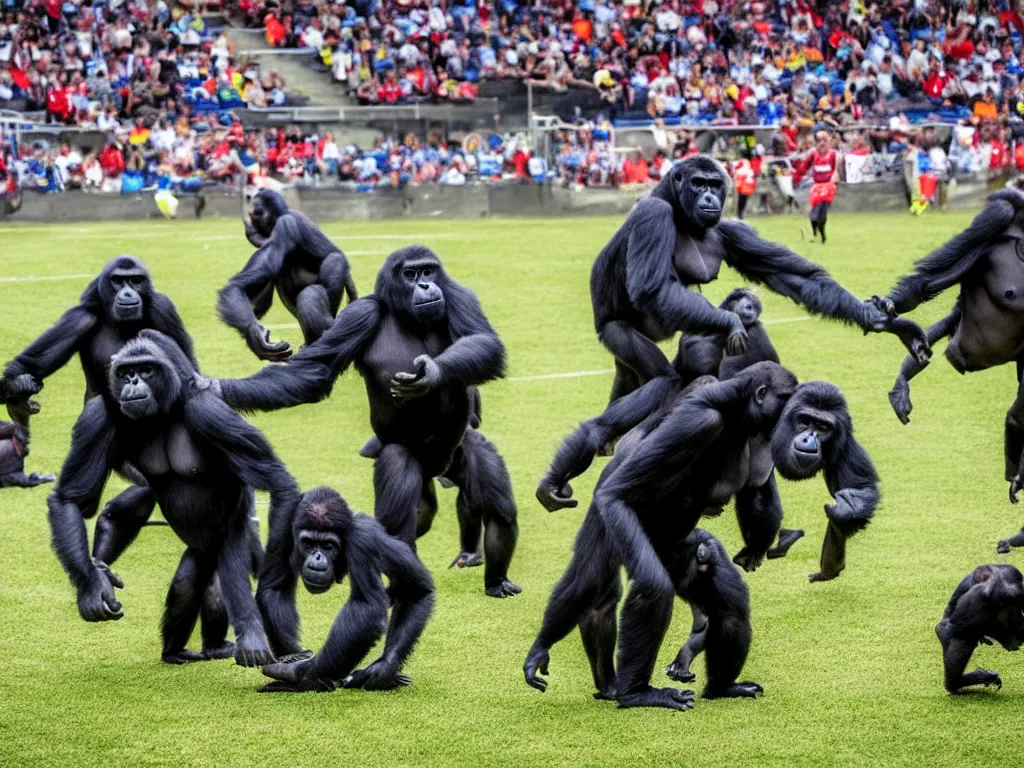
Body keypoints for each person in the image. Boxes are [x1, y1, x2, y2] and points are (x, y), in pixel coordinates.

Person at [793, 129, 838, 244]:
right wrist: (796, 178)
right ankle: (815, 232)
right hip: (817, 187)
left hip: (828, 187)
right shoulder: (813, 154)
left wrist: (834, 177)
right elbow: (804, 167)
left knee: (822, 213)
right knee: (814, 216)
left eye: (824, 140)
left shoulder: (832, 154)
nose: (822, 143)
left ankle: (822, 236)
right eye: (819, 141)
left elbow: (835, 169)